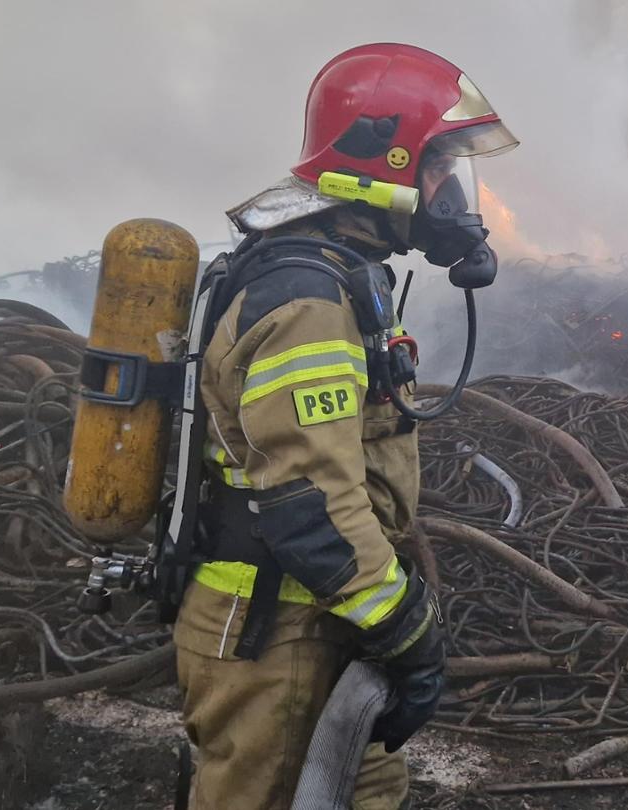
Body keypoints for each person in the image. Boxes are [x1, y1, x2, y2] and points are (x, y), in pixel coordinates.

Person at [173, 42, 517, 810]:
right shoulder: (310, 302)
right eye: (436, 167)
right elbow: (310, 504)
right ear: (381, 161)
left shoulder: (335, 278)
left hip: (318, 618)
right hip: (274, 632)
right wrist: (405, 629)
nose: (449, 193)